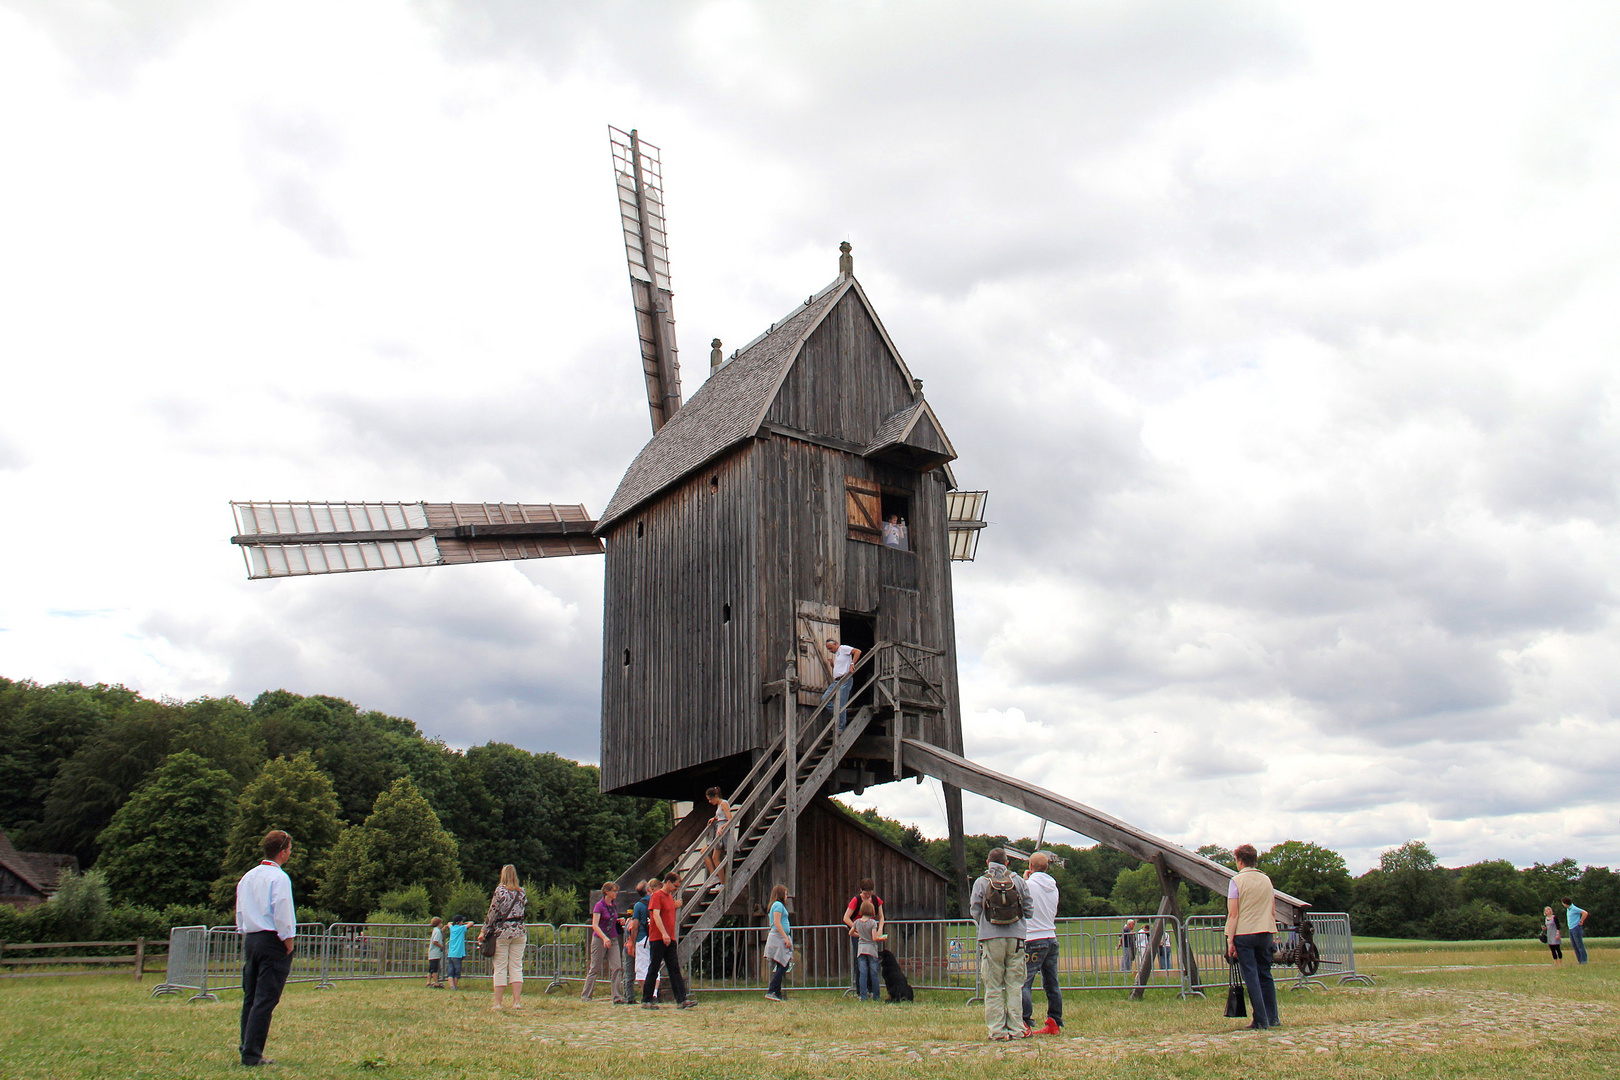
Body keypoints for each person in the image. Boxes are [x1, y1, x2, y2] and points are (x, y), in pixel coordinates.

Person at [235, 829, 297, 1067]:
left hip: (251, 938)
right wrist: (288, 941)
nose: (290, 853)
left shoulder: (248, 876)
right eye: (289, 849)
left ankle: (246, 1046)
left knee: (250, 997)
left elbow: (240, 910)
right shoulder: (279, 878)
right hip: (272, 940)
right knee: (265, 999)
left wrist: (245, 931)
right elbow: (282, 910)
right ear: (282, 852)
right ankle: (252, 1054)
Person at [971, 848, 1032, 1041]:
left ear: (987, 862)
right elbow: (1029, 909)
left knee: (993, 985)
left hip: (991, 938)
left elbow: (975, 910)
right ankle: (1016, 1028)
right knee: (1015, 984)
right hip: (1016, 938)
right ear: (1007, 863)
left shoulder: (981, 882)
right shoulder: (1018, 881)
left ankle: (997, 1031)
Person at [1226, 843, 1279, 1031]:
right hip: (1265, 931)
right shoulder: (1266, 880)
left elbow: (1233, 914)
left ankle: (1260, 1019)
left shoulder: (1236, 881)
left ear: (1239, 861)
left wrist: (1230, 939)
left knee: (1251, 976)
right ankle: (1272, 1017)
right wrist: (1274, 932)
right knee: (1265, 974)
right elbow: (1272, 910)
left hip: (1244, 932)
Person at [1021, 852, 1063, 1036]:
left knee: (1025, 983)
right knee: (1052, 983)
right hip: (1050, 937)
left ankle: (1024, 1022)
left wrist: (1024, 880)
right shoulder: (1053, 887)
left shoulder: (1027, 885)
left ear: (1030, 866)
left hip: (1033, 938)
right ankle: (1054, 1021)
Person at [643, 872, 696, 1009]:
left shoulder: (668, 897)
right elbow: (656, 915)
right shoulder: (656, 896)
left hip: (670, 937)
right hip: (658, 937)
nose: (676, 889)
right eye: (675, 885)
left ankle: (681, 1000)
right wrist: (664, 933)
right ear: (668, 882)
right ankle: (646, 999)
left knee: (674, 969)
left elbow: (669, 909)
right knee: (654, 968)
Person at [479, 865, 528, 1010]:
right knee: (516, 966)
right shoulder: (522, 892)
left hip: (502, 932)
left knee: (500, 967)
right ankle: (516, 1002)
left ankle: (498, 1003)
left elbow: (492, 913)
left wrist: (484, 931)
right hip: (519, 931)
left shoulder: (500, 891)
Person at [582, 881, 625, 1002]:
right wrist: (604, 938)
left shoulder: (613, 905)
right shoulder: (599, 906)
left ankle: (617, 996)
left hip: (613, 938)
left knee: (617, 966)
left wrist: (618, 921)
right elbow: (595, 925)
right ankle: (586, 995)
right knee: (595, 967)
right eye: (614, 891)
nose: (616, 893)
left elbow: (611, 919)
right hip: (599, 939)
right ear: (607, 892)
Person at [820, 638, 862, 731]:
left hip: (845, 680)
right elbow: (841, 667)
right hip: (836, 681)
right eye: (828, 649)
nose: (830, 651)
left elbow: (858, 651)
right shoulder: (838, 654)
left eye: (830, 648)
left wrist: (852, 664)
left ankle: (840, 727)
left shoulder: (843, 648)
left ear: (835, 644)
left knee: (841, 705)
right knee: (825, 699)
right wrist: (833, 665)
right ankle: (838, 716)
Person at [626, 880, 657, 1003]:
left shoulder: (638, 906)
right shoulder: (656, 899)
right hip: (655, 937)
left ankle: (647, 994)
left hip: (642, 938)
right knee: (654, 967)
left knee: (641, 969)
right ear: (649, 889)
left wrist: (632, 943)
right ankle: (654, 993)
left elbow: (635, 926)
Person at [764, 883, 793, 1002]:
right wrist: (785, 937)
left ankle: (777, 992)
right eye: (785, 894)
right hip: (778, 937)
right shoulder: (778, 905)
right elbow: (777, 922)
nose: (787, 896)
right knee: (783, 963)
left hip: (780, 936)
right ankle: (771, 990)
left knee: (783, 963)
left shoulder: (778, 906)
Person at [853, 900, 884, 1001]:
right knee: (874, 973)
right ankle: (876, 996)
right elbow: (874, 938)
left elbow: (850, 933)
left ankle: (863, 996)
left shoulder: (857, 922)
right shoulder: (872, 923)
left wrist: (860, 935)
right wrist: (882, 938)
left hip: (861, 949)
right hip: (871, 949)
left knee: (863, 974)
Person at [704, 787, 734, 893]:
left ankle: (722, 882)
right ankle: (719, 879)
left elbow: (730, 819)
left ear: (716, 797)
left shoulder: (724, 803)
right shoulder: (719, 805)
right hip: (719, 831)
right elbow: (720, 816)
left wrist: (721, 827)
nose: (710, 801)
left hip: (723, 832)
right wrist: (715, 818)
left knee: (715, 857)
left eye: (710, 799)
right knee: (712, 856)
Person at [1563, 897, 1589, 964]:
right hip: (1571, 928)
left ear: (1565, 903)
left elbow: (1585, 913)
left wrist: (1581, 920)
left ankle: (1584, 961)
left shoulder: (1574, 908)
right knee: (1574, 945)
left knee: (1579, 945)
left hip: (1576, 928)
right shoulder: (1568, 909)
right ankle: (1580, 960)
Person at [445, 915, 468, 989]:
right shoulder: (461, 928)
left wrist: (454, 923)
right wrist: (465, 924)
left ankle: (451, 985)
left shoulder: (452, 928)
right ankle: (455, 986)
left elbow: (449, 923)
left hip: (451, 953)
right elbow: (471, 923)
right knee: (457, 971)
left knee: (450, 970)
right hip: (458, 954)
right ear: (460, 922)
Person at [426, 916, 445, 988]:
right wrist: (441, 946)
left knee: (430, 969)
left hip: (432, 953)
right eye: (441, 923)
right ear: (439, 923)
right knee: (435, 969)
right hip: (435, 953)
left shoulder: (435, 930)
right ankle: (436, 983)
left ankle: (428, 982)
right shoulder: (437, 931)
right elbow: (435, 941)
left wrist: (443, 930)